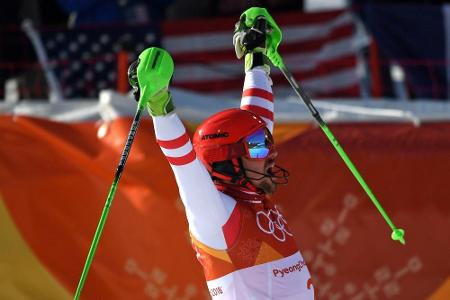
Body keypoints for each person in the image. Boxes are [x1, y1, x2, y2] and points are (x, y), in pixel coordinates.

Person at [129, 8, 314, 299]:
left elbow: (255, 121)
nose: (271, 153)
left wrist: (257, 61)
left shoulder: (251, 197)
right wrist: (159, 105)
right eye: (258, 146)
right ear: (228, 161)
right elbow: (184, 163)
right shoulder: (218, 217)